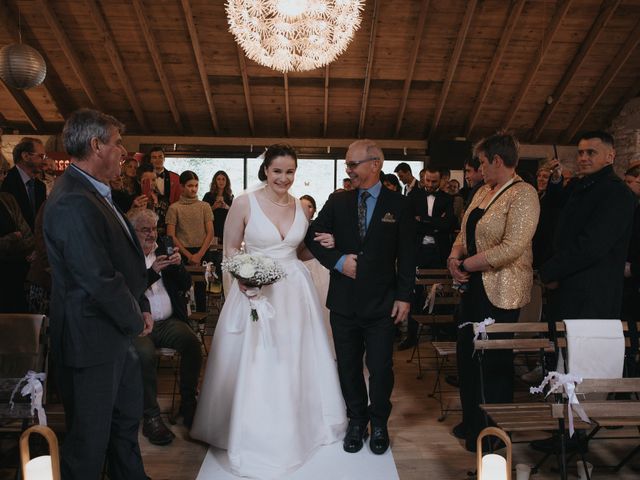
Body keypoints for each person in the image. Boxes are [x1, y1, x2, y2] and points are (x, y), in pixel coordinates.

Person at [190, 145, 346, 479]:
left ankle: (298, 425)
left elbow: (301, 250)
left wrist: (326, 246)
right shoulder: (244, 202)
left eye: (290, 172)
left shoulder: (300, 207)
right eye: (278, 171)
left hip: (295, 293)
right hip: (255, 290)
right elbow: (230, 249)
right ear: (266, 170)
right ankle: (254, 431)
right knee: (259, 358)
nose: (284, 178)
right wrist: (243, 280)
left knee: (294, 357)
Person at [43, 109, 150, 479]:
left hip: (112, 334)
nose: (124, 152)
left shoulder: (98, 193)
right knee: (88, 444)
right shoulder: (73, 199)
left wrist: (143, 304)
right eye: (118, 143)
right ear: (96, 145)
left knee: (123, 428)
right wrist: (135, 317)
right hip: (90, 340)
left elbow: (125, 263)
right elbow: (98, 277)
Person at [305, 139, 416, 455]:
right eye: (347, 164)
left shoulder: (401, 205)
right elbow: (312, 236)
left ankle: (379, 422)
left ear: (375, 164)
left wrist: (405, 296)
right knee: (348, 367)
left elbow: (407, 256)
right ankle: (357, 420)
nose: (348, 169)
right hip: (344, 302)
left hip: (383, 302)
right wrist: (339, 260)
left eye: (353, 164)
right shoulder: (338, 201)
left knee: (381, 368)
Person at [447, 131, 539, 452]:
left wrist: (468, 264)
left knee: (493, 360)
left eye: (483, 162)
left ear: (498, 161)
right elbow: (463, 229)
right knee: (468, 354)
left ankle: (494, 431)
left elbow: (512, 247)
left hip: (501, 288)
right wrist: (453, 257)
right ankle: (472, 420)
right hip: (473, 287)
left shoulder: (523, 194)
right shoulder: (483, 191)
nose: (480, 168)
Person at [539, 131, 635, 323]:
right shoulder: (581, 185)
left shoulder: (618, 193)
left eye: (591, 153)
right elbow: (555, 204)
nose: (583, 158)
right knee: (561, 351)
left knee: (585, 351)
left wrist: (551, 270)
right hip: (568, 287)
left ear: (610, 156)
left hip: (592, 295)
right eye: (580, 153)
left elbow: (592, 245)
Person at [129, 209, 201, 444]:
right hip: (139, 325)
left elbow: (185, 283)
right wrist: (152, 273)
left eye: (154, 229)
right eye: (145, 230)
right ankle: (151, 417)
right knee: (144, 354)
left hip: (168, 321)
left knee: (192, 343)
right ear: (132, 230)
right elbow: (127, 291)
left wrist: (178, 266)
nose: (151, 234)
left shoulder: (164, 249)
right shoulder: (126, 254)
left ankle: (188, 403)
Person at [401, 166, 456, 350]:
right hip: (417, 251)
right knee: (414, 293)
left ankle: (439, 333)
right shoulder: (413, 197)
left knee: (440, 292)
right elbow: (410, 225)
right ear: (423, 179)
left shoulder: (448, 199)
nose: (431, 184)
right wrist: (435, 223)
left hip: (439, 252)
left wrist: (423, 220)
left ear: (440, 180)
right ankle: (411, 335)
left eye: (435, 181)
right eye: (428, 181)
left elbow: (448, 224)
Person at [165, 171, 214, 312]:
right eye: (190, 185)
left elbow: (210, 232)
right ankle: (183, 320)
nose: (193, 189)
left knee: (201, 289)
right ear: (182, 187)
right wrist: (189, 255)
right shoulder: (174, 208)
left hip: (202, 250)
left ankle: (202, 324)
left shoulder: (204, 206)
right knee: (182, 287)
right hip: (182, 251)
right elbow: (171, 235)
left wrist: (199, 254)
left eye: (196, 185)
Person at [1, 137, 47, 230]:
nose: (45, 162)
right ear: (25, 156)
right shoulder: (6, 182)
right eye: (41, 156)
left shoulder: (40, 186)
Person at [0, 192, 34, 312]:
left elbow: (29, 238)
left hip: (16, 276)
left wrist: (8, 244)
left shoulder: (7, 199)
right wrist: (13, 238)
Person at [202, 170, 233, 242]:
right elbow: (202, 213)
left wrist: (226, 206)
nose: (221, 181)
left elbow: (235, 214)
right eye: (218, 179)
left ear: (226, 182)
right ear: (215, 181)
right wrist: (213, 207)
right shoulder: (208, 196)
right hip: (211, 228)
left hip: (226, 228)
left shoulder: (230, 197)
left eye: (223, 179)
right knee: (212, 251)